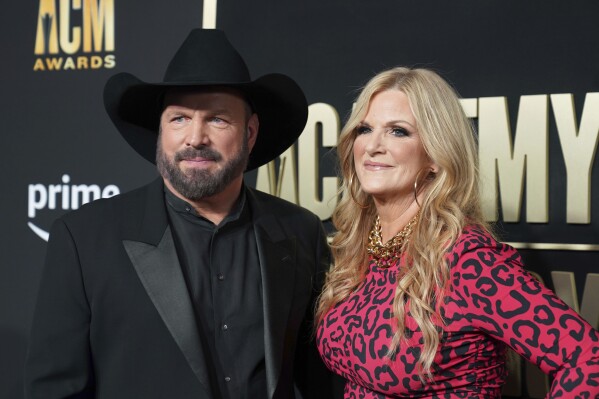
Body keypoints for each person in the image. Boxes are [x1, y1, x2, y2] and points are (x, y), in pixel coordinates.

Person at [25, 29, 333, 399]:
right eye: (179, 119)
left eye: (217, 119)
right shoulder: (85, 239)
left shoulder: (300, 232)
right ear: (160, 131)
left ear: (250, 133)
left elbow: (324, 379)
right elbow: (55, 390)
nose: (195, 137)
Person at [315, 67, 599, 398]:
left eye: (398, 132)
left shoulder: (467, 262)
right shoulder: (363, 247)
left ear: (436, 156)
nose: (374, 145)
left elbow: (588, 361)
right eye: (365, 128)